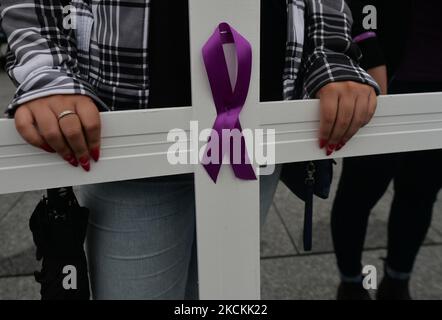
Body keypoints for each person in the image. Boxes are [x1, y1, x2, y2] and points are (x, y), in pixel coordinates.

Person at [1, 0, 378, 299]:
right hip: (132, 134)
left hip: (254, 126)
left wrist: (331, 57)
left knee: (228, 294)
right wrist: (48, 70)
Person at [332, 0, 442, 300]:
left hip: (435, 87)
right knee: (359, 192)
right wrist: (366, 47)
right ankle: (351, 283)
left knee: (420, 194)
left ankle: (397, 281)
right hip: (384, 76)